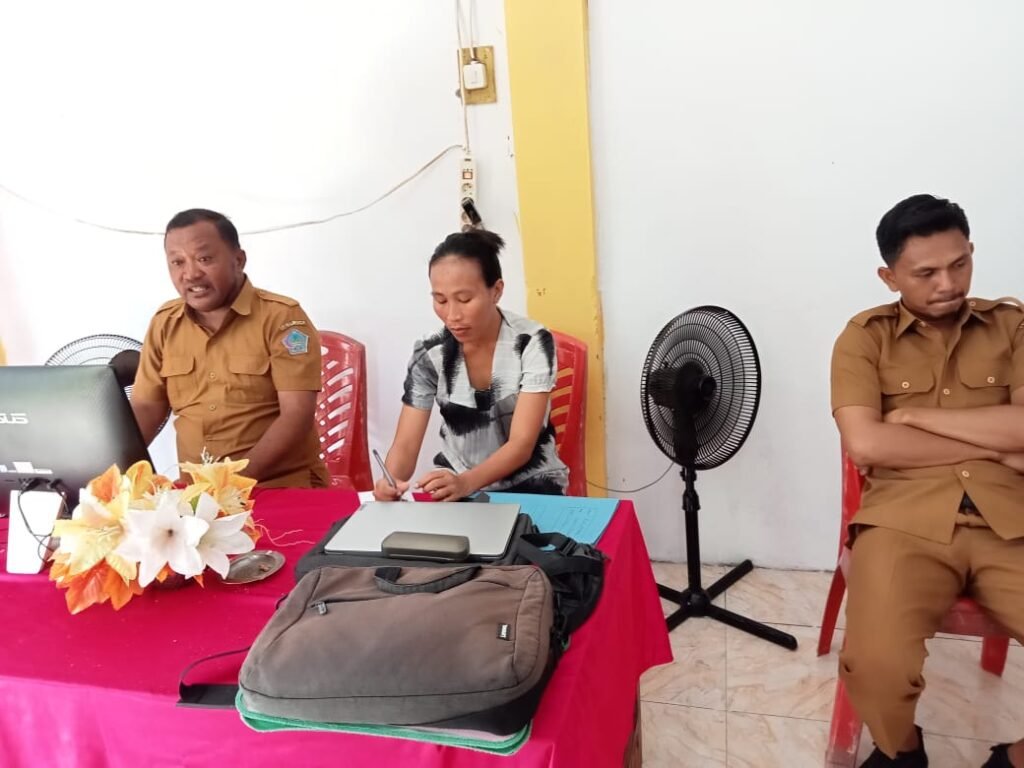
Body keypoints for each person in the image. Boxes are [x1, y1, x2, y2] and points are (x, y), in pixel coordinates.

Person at [830, 194, 1024, 768]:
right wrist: (999, 445)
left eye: (960, 264)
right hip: (902, 521)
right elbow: (866, 444)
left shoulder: (1012, 327)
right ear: (889, 276)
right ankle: (902, 752)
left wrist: (914, 417)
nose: (948, 283)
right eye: (926, 273)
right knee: (875, 665)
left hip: (1011, 520)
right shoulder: (864, 338)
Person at [131, 209, 329, 488]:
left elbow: (296, 416)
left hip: (278, 487)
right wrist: (109, 473)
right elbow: (147, 407)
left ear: (239, 260)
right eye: (177, 262)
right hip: (197, 494)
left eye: (204, 259)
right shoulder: (165, 323)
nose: (191, 274)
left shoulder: (283, 318)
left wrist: (232, 485)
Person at [373, 230, 569, 501]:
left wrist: (467, 483)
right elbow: (406, 444)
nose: (452, 315)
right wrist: (390, 482)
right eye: (440, 300)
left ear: (496, 291)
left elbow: (522, 444)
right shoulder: (430, 353)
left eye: (464, 300)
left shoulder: (531, 342)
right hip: (457, 484)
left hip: (533, 483)